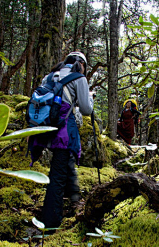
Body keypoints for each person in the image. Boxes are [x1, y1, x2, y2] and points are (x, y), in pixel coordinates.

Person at [40, 51, 93, 228]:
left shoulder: (50, 76)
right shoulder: (79, 78)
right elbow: (86, 109)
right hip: (63, 130)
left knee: (62, 164)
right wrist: (90, 98)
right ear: (82, 65)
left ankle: (75, 199)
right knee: (58, 175)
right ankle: (51, 221)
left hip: (46, 128)